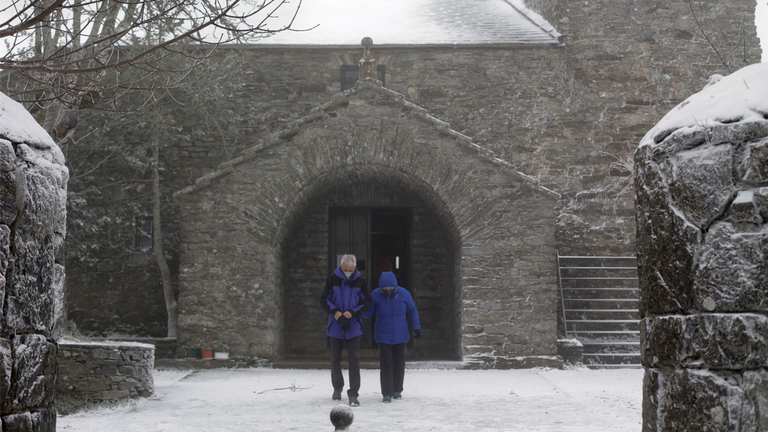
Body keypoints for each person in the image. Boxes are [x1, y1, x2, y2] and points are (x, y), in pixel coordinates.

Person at [320, 254, 371, 407]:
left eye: (350, 269)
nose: (348, 272)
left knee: (353, 359)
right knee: (335, 359)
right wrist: (336, 313)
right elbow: (324, 299)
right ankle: (337, 387)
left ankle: (353, 392)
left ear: (354, 268)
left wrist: (352, 313)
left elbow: (366, 301)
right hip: (335, 325)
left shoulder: (361, 281)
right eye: (345, 269)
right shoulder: (332, 279)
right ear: (341, 268)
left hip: (353, 325)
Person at [363, 271, 421, 403]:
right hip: (383, 335)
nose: (388, 290)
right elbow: (368, 314)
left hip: (401, 336)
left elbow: (412, 310)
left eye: (390, 288)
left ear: (395, 286)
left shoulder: (404, 294)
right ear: (381, 287)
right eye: (385, 288)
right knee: (386, 364)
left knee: (399, 364)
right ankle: (387, 393)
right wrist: (363, 303)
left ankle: (397, 390)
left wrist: (416, 327)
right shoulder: (375, 295)